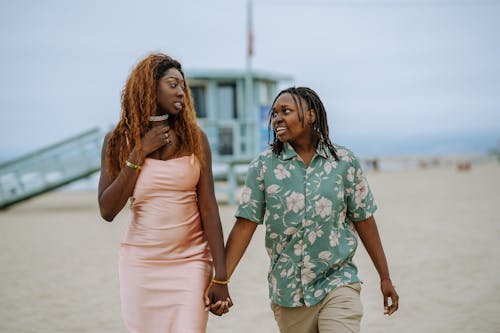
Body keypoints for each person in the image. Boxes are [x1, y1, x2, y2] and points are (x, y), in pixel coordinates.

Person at [210, 87, 399, 332]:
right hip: (288, 294)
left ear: (311, 115)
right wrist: (221, 279)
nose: (277, 118)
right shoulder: (263, 167)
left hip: (338, 281)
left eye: (286, 111)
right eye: (274, 113)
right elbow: (245, 224)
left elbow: (364, 220)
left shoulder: (343, 161)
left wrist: (384, 277)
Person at [98, 53, 231, 332]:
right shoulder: (117, 141)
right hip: (140, 266)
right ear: (150, 87)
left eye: (183, 85)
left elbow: (209, 208)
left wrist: (221, 277)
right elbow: (108, 210)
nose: (182, 92)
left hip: (191, 262)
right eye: (173, 84)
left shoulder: (196, 138)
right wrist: (139, 152)